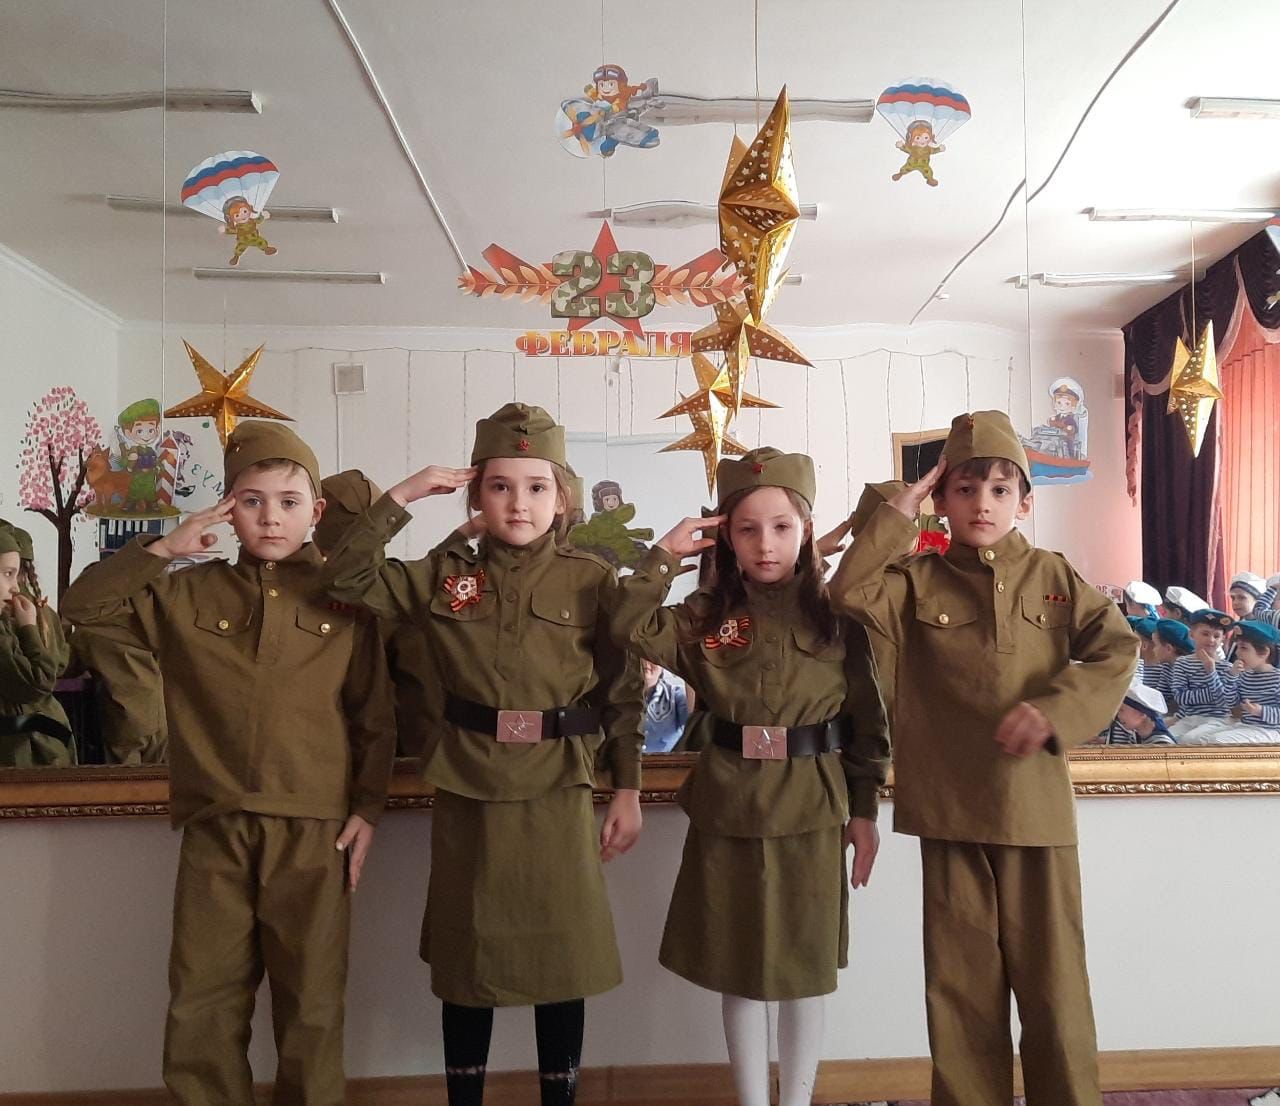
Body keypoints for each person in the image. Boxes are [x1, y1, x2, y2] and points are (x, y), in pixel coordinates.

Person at [60, 421, 396, 1105]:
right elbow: (82, 607)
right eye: (251, 500)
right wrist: (163, 549)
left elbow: (373, 714)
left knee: (312, 1003)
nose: (270, 517)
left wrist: (367, 807)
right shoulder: (186, 594)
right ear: (227, 507)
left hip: (314, 829)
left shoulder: (346, 599)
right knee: (203, 1003)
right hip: (215, 823)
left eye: (288, 502)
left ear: (316, 511)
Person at [320, 402, 643, 1106]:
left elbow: (622, 692)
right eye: (499, 486)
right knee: (468, 964)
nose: (518, 503)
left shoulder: (593, 580)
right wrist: (402, 496)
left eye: (536, 486)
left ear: (562, 497)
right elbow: (342, 579)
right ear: (475, 495)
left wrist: (627, 788)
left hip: (557, 787)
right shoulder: (445, 575)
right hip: (469, 786)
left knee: (563, 959)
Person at [830, 410, 1135, 1106]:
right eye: (965, 489)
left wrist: (1055, 710)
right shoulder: (915, 581)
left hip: (1035, 813)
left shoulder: (1054, 576)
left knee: (1056, 990)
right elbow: (846, 591)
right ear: (940, 499)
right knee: (961, 996)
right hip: (951, 811)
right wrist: (901, 510)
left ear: (1024, 501)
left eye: (1001, 489)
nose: (983, 504)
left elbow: (1117, 650)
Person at [610, 446, 889, 1106]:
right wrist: (664, 555)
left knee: (804, 971)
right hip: (729, 804)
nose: (766, 544)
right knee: (739, 969)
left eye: (782, 527)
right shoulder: (706, 618)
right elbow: (626, 625)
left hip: (812, 805)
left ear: (807, 530)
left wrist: (864, 809)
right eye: (747, 529)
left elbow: (867, 721)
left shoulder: (840, 615)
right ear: (726, 537)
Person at [315, 469, 439, 759]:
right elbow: (422, 701)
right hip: (387, 755)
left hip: (337, 754)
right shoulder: (394, 589)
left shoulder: (294, 585)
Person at [0, 521, 74, 766]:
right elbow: (43, 677)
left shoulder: (20, 611)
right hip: (27, 743)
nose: (15, 586)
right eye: (7, 573)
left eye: (14, 573)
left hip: (35, 742)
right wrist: (29, 629)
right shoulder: (29, 614)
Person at [1177, 619, 1280, 745]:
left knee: (1217, 741)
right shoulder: (1245, 675)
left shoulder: (1277, 678)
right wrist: (1232, 676)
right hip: (1245, 726)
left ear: (1264, 652)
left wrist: (1261, 711)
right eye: (1237, 647)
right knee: (1190, 739)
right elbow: (1229, 702)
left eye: (1244, 648)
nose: (1237, 652)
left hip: (1269, 730)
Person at [1167, 609, 1237, 741]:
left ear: (1223, 638)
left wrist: (1211, 672)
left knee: (1190, 739)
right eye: (1205, 634)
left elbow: (1224, 701)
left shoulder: (1227, 668)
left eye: (1216, 636)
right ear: (1192, 634)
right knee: (1167, 739)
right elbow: (1181, 697)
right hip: (1188, 718)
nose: (1211, 640)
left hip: (1217, 719)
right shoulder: (1182, 663)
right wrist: (1215, 693)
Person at [1102, 678, 1174, 746]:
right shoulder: (1137, 737)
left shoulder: (1161, 745)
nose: (1118, 716)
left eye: (1121, 710)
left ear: (1142, 713)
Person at [641, 660, 689, 754]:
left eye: (652, 658)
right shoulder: (617, 696)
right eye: (640, 657)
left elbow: (694, 718)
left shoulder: (676, 695)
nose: (646, 662)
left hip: (668, 762)